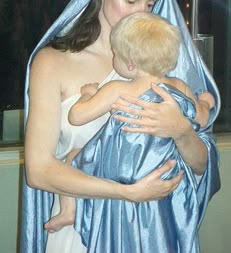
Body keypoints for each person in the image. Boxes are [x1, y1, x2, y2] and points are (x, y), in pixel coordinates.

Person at [20, 0, 220, 253]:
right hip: (79, 235)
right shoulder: (52, 63)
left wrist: (181, 131)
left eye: (150, 4)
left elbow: (200, 167)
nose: (142, 13)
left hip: (146, 234)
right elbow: (39, 171)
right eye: (131, 0)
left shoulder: (160, 66)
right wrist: (127, 192)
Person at [46, 13, 215, 236]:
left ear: (131, 64)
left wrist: (87, 95)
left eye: (115, 54)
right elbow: (201, 118)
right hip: (164, 170)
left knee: (71, 157)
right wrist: (205, 102)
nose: (113, 58)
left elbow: (76, 117)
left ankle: (68, 211)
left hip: (122, 168)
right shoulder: (180, 87)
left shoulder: (118, 88)